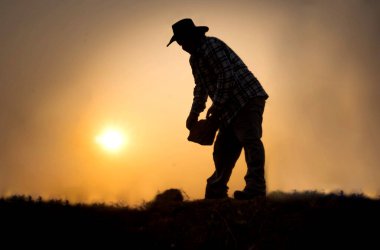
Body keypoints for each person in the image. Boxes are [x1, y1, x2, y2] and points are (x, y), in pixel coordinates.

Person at [167, 18, 269, 200]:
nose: (181, 46)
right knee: (222, 149)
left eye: (182, 41)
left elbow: (226, 75)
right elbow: (201, 87)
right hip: (227, 108)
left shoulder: (211, 46)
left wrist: (217, 106)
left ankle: (256, 189)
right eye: (179, 43)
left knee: (249, 139)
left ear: (192, 37)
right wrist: (194, 112)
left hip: (246, 98)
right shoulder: (195, 60)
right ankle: (216, 191)